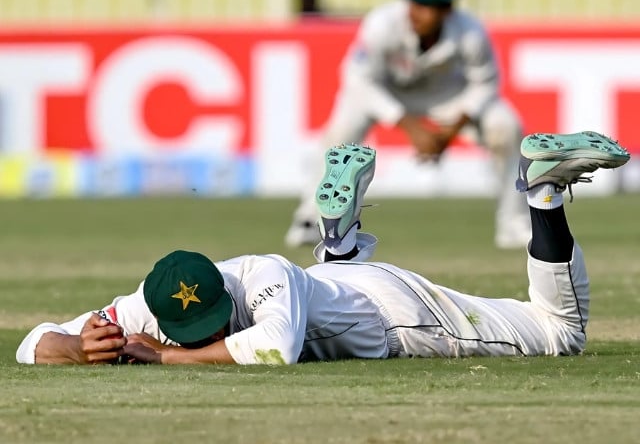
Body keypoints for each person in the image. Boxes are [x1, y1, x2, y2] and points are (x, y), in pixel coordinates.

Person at [16, 131, 629, 365]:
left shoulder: (261, 275)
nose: (205, 335)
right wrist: (73, 345)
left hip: (399, 316)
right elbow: (28, 344)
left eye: (211, 322)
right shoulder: (143, 307)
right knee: (324, 293)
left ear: (224, 292)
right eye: (194, 330)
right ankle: (338, 240)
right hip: (339, 286)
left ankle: (543, 192)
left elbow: (276, 346)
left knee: (559, 333)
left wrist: (166, 359)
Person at [285, 0, 531, 250]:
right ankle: (311, 218)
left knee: (505, 126)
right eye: (414, 1)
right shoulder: (383, 23)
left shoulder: (470, 32)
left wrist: (451, 130)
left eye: (426, 6)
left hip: (447, 96)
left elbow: (486, 83)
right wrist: (411, 127)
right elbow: (358, 80)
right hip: (388, 92)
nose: (415, 12)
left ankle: (514, 222)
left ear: (446, 9)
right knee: (341, 131)